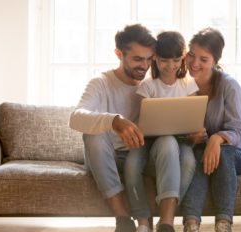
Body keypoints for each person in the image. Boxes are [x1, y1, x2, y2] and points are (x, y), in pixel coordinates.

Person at [69, 24, 156, 232]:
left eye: (149, 59)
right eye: (137, 59)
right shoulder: (100, 83)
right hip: (106, 158)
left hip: (141, 157)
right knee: (94, 136)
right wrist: (114, 121)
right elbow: (76, 117)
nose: (144, 66)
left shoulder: (153, 85)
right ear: (119, 54)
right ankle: (123, 219)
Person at [181, 28, 241, 232]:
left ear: (214, 61)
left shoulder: (229, 86)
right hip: (204, 153)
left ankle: (223, 224)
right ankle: (191, 224)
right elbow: (176, 125)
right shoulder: (181, 85)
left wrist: (216, 139)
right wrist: (191, 137)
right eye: (191, 54)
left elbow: (237, 130)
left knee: (222, 151)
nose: (195, 63)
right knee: (198, 155)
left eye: (204, 59)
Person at [124, 31, 199, 232]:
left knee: (189, 162)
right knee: (131, 166)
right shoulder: (147, 86)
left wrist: (196, 131)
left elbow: (195, 117)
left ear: (182, 58)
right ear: (155, 58)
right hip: (149, 140)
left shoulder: (188, 84)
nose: (171, 66)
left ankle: (166, 216)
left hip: (181, 139)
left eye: (176, 60)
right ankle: (142, 219)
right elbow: (142, 120)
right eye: (164, 60)